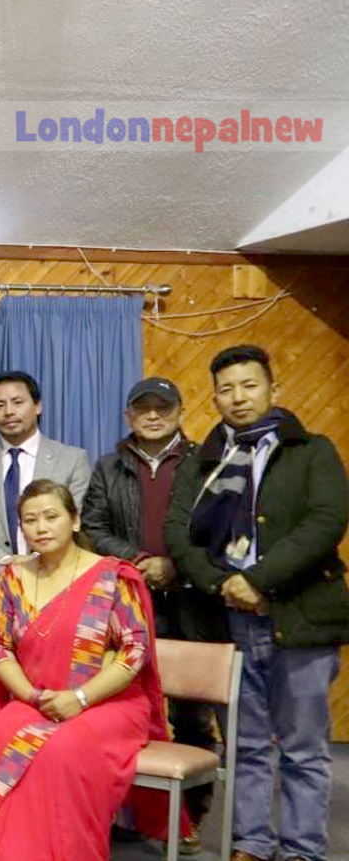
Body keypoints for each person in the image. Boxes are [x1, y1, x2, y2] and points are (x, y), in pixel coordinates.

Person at [166, 345, 348, 861]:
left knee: (303, 747)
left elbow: (326, 522)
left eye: (249, 385)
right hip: (229, 620)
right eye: (226, 389)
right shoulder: (202, 461)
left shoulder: (312, 451)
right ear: (215, 398)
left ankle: (302, 848)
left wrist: (257, 580)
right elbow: (178, 531)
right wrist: (222, 584)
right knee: (244, 744)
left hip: (299, 618)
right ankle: (250, 842)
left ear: (273, 389)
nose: (238, 398)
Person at [0, 479, 164, 861]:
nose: (41, 527)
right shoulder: (13, 578)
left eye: (51, 517)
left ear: (75, 520)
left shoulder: (111, 576)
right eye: (30, 520)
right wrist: (32, 696)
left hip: (106, 702)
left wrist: (79, 697)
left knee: (63, 748)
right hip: (38, 698)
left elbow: (134, 651)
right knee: (0, 733)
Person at [82, 376, 219, 843]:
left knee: (191, 714)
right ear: (129, 416)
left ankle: (186, 820)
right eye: (144, 408)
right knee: (121, 706)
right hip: (126, 602)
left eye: (164, 407)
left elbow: (216, 529)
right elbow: (93, 528)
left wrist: (175, 565)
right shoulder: (108, 467)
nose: (154, 415)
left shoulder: (205, 463)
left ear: (180, 411)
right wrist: (140, 562)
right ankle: (123, 811)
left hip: (192, 601)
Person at [0, 371, 92, 572]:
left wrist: (36, 562)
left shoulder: (72, 460)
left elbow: (74, 517)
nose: (9, 412)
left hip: (57, 573)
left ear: (37, 406)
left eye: (18, 402)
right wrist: (3, 562)